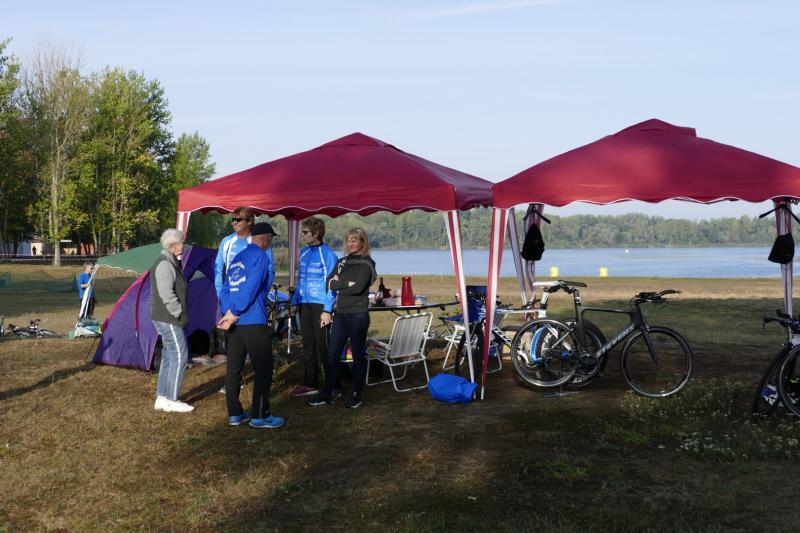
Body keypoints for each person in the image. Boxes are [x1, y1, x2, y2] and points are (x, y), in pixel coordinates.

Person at [218, 222, 285, 429]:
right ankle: (260, 416)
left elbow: (225, 288)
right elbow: (252, 287)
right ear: (265, 238)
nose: (270, 243)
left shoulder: (238, 257)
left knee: (234, 368)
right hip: (253, 319)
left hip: (234, 322)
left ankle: (235, 413)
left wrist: (228, 311)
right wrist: (236, 312)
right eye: (271, 239)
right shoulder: (261, 256)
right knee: (263, 368)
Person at [309, 228, 377, 409]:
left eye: (355, 240)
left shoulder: (367, 263)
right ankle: (327, 393)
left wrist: (339, 284)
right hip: (340, 314)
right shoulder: (342, 262)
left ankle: (357, 394)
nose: (351, 244)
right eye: (348, 241)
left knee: (358, 356)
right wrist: (346, 284)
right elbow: (329, 282)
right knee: (332, 355)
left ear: (363, 242)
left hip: (358, 315)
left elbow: (359, 287)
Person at [290, 217, 339, 398]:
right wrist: (295, 301)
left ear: (316, 233)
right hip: (305, 304)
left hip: (321, 305)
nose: (302, 236)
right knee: (307, 344)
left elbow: (332, 285)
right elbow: (301, 280)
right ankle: (311, 383)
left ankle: (334, 385)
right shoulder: (303, 253)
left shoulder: (328, 254)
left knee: (323, 345)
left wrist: (327, 309)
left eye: (305, 232)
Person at [150, 229, 194, 413]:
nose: (184, 245)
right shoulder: (164, 264)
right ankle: (172, 399)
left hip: (165, 317)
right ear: (174, 245)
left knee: (169, 356)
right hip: (168, 318)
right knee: (179, 355)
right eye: (182, 242)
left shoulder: (170, 262)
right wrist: (178, 313)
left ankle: (162, 397)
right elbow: (166, 294)